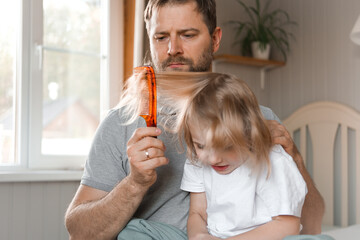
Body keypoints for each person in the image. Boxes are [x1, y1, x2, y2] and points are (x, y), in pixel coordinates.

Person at [64, 0, 324, 239]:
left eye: (187, 35)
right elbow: (78, 233)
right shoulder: (120, 123)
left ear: (215, 39)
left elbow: (311, 226)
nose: (172, 49)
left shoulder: (258, 118)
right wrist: (134, 184)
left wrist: (296, 160)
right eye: (161, 37)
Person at [123, 71, 308, 239]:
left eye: (226, 147)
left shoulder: (272, 161)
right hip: (214, 235)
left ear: (250, 133)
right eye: (201, 145)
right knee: (133, 229)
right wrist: (199, 236)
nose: (213, 159)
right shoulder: (198, 160)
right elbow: (198, 213)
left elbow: (287, 226)